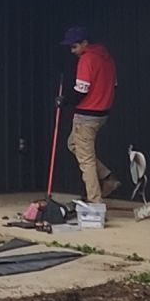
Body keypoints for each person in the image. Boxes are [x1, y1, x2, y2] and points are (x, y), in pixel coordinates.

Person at [59, 26, 120, 204]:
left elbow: (81, 90)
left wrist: (64, 100)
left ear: (85, 43)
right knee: (72, 143)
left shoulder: (87, 59)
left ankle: (95, 202)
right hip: (102, 114)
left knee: (86, 160)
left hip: (86, 116)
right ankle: (107, 177)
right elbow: (114, 85)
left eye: (74, 47)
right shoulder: (107, 58)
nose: (72, 51)